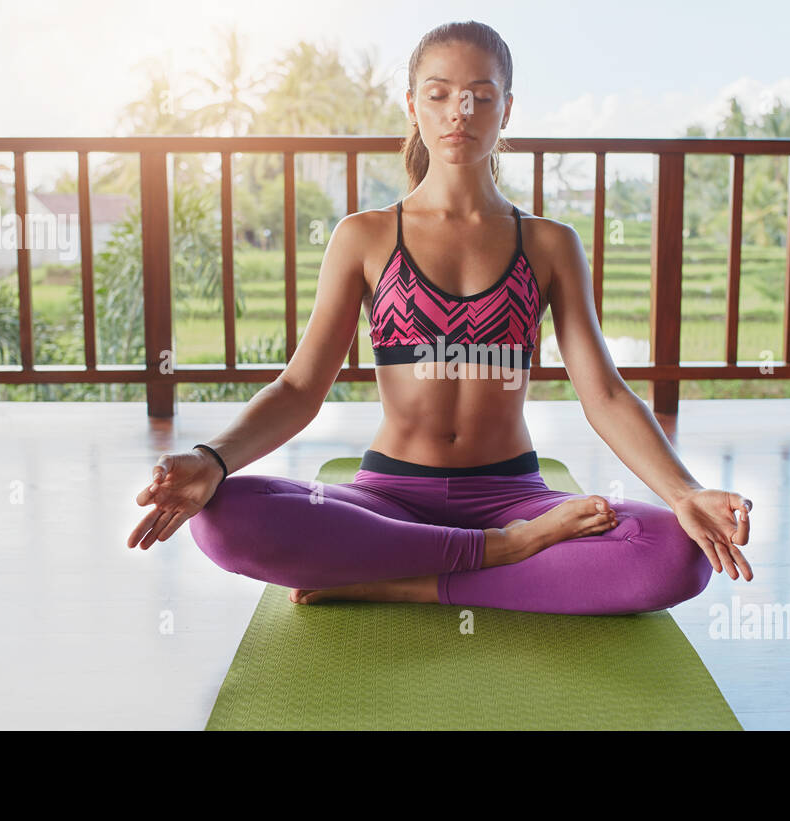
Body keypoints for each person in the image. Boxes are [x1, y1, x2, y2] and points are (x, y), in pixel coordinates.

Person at [126, 20, 754, 616]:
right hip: (387, 498)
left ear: (507, 109)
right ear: (412, 105)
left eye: (482, 96)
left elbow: (606, 395)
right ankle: (502, 555)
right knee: (224, 517)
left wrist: (685, 493)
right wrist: (213, 459)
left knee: (675, 556)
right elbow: (297, 390)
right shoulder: (363, 237)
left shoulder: (550, 243)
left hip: (515, 496)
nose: (461, 111)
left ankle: (408, 584)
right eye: (441, 93)